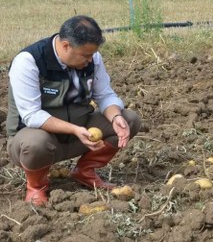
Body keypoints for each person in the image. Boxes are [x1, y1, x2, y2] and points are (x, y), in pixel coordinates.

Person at [6, 15, 141, 206]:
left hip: (79, 131)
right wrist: (75, 130)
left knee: (129, 119)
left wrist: (116, 116)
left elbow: (104, 95)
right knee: (35, 143)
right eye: (85, 55)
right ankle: (37, 186)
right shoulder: (29, 61)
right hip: (36, 139)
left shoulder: (92, 59)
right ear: (66, 45)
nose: (89, 60)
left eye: (92, 55)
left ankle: (85, 171)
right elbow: (31, 115)